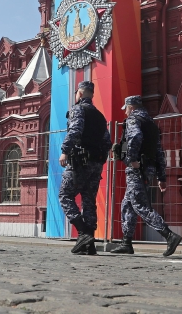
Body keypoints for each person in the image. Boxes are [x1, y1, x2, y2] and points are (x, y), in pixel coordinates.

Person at [111, 95, 182, 257]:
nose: (126, 113)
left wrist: (131, 158)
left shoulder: (134, 120)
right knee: (128, 205)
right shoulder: (151, 123)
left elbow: (135, 137)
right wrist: (161, 177)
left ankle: (168, 235)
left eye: (127, 109)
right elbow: (159, 151)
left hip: (137, 168)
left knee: (139, 204)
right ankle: (126, 243)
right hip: (148, 168)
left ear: (132, 107)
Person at [59, 81, 112, 256]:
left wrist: (65, 151)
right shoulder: (100, 116)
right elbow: (107, 142)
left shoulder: (78, 109)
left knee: (65, 195)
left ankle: (82, 233)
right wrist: (99, 159)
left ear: (80, 93)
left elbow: (75, 130)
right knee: (89, 201)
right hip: (96, 164)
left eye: (76, 93)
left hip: (78, 162)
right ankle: (89, 245)